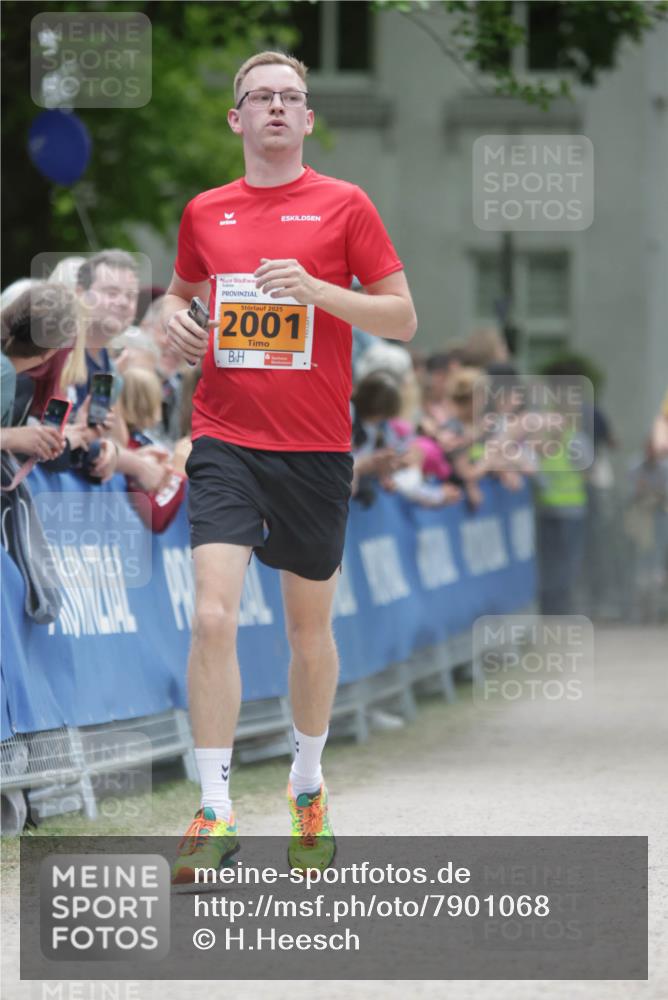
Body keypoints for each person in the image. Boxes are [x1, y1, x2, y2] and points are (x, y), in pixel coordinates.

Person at [162, 50, 416, 881]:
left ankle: (306, 786)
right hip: (225, 438)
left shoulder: (346, 205)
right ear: (236, 118)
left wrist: (317, 291)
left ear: (308, 119)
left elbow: (403, 317)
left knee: (309, 635)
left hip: (312, 447)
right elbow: (178, 295)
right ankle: (215, 807)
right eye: (260, 97)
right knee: (212, 617)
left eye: (291, 98)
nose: (276, 107)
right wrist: (177, 327)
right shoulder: (205, 211)